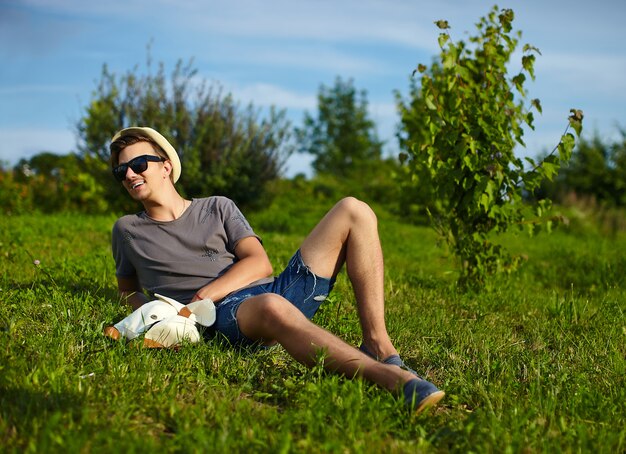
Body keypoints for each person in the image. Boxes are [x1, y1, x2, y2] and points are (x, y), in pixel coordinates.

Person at [108, 126, 445, 413]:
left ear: (166, 166)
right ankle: (391, 380)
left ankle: (379, 345)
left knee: (353, 210)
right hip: (223, 315)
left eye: (139, 164)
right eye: (121, 171)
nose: (130, 175)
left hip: (270, 289)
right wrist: (160, 314)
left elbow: (259, 262)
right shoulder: (127, 230)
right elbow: (128, 292)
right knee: (271, 306)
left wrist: (206, 291)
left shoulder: (217, 207)